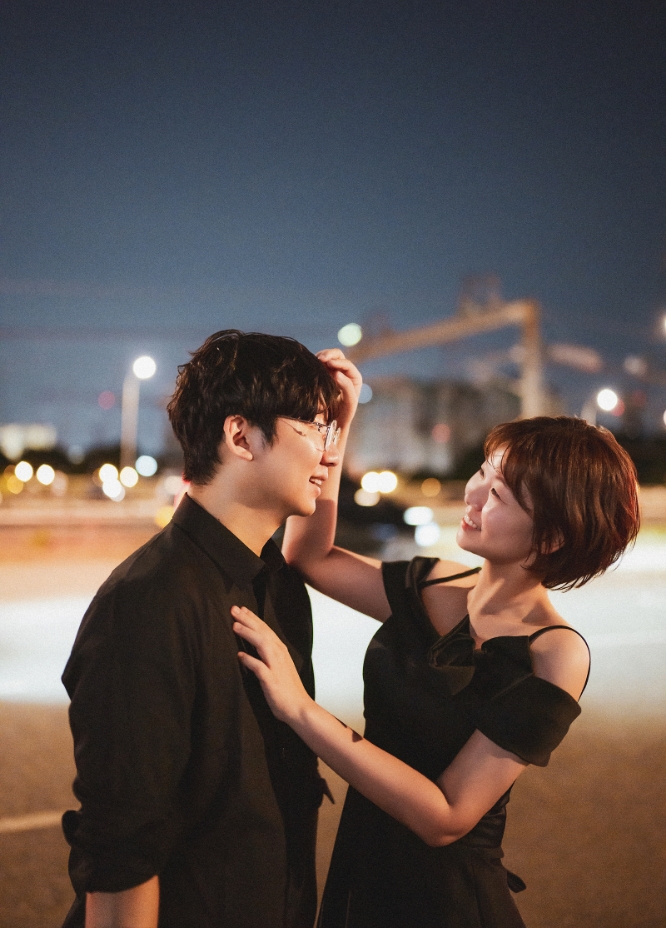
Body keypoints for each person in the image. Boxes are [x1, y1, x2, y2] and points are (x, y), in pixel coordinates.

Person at [231, 349, 640, 928]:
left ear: (550, 537)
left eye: (497, 496)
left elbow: (447, 817)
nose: (473, 496)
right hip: (364, 868)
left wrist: (300, 710)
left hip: (446, 900)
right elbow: (310, 556)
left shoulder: (554, 652)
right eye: (483, 473)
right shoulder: (434, 582)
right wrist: (337, 428)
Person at [60, 330, 344, 928]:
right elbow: (120, 855)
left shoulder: (278, 585)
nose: (329, 452)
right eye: (314, 427)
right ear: (240, 436)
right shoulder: (146, 603)